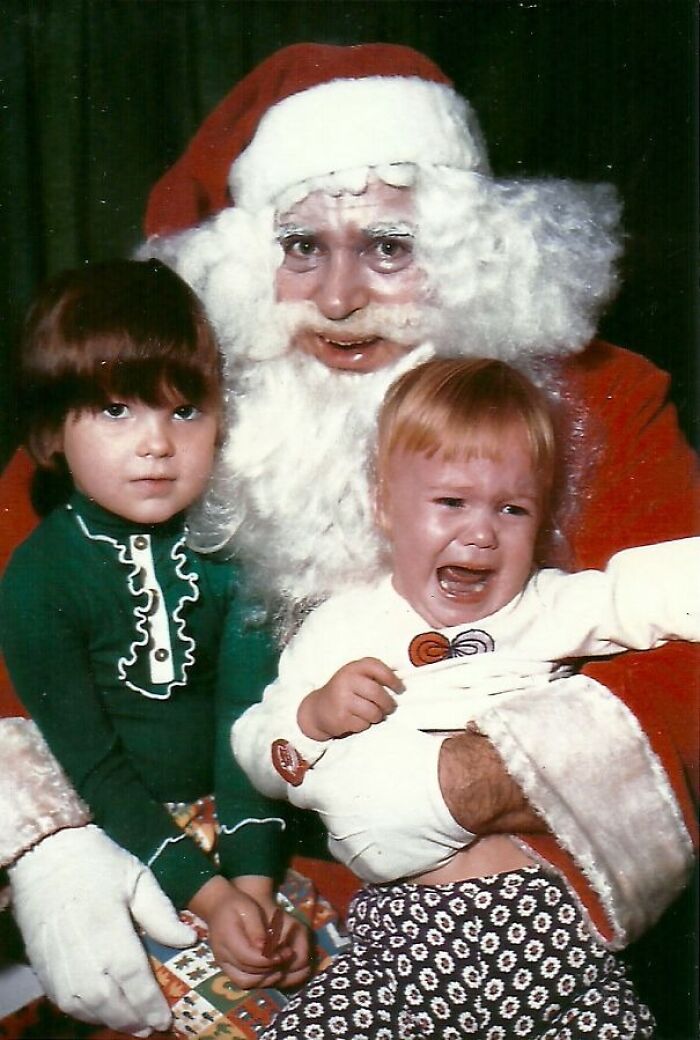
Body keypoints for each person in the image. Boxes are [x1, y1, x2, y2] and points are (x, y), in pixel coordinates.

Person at [0, 42, 697, 1034]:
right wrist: (44, 842)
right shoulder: (171, 408)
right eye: (300, 247)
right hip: (222, 894)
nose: (337, 299)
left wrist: (456, 785)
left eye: (388, 247)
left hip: (504, 906)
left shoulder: (600, 399)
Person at [233, 356, 699, 1038]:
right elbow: (259, 743)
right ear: (385, 506)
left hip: (556, 935)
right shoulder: (342, 626)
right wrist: (312, 718)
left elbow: (640, 593)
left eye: (512, 509)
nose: (481, 534)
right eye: (451, 503)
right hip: (401, 940)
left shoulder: (544, 604)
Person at [0, 259, 312, 1032]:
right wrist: (208, 894)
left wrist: (253, 887)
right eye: (116, 411)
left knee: (314, 976)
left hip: (246, 822)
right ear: (51, 430)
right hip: (116, 834)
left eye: (184, 410)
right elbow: (92, 769)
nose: (156, 444)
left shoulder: (236, 552)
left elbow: (247, 720)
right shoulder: (37, 583)